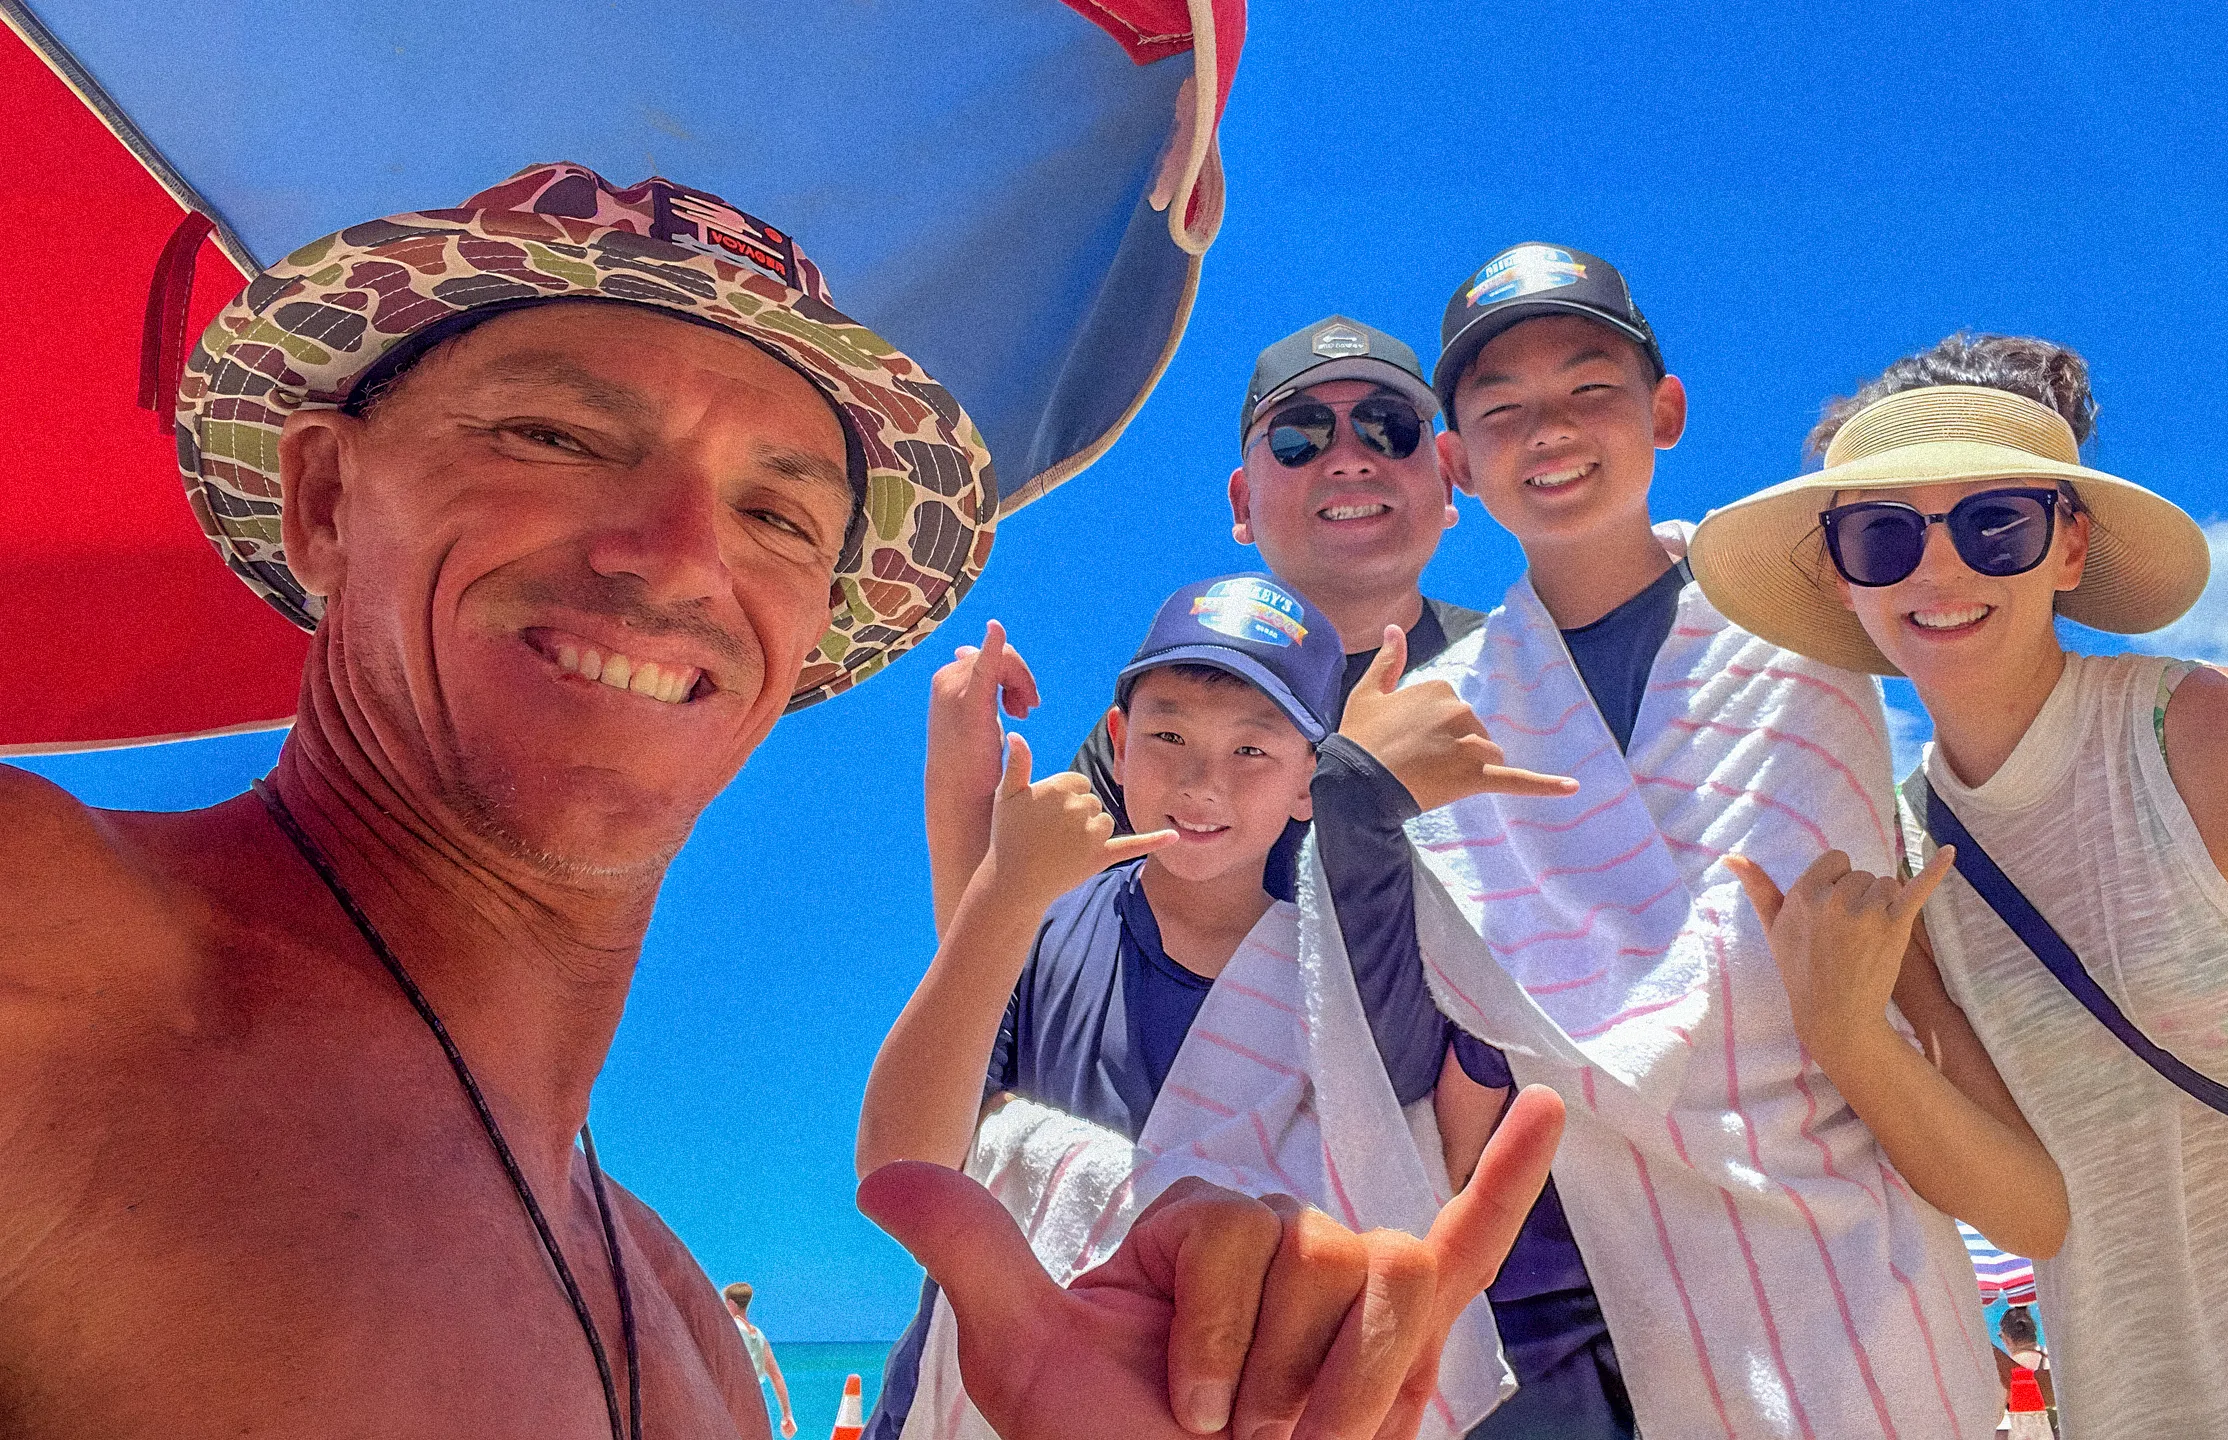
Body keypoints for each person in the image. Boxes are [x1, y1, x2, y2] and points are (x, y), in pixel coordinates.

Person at [0, 164, 1562, 1440]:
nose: (679, 554)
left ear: (810, 628)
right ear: (328, 501)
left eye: (774, 510)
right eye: (552, 434)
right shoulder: (48, 965)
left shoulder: (681, 1338)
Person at [1688, 332, 2228, 1438]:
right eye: (1884, 533)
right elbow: (2039, 1210)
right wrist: (1847, 1036)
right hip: (2161, 1395)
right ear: (1843, 575)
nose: (1938, 568)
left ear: (2068, 546)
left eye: (1994, 522)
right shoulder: (1901, 850)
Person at [1313, 243, 2046, 1438]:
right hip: (1598, 1280)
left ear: (1665, 411)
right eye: (1502, 410)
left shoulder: (1811, 627)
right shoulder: (1444, 710)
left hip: (1853, 1249)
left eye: (1589, 390)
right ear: (1455, 464)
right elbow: (1404, 1016)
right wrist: (1356, 793)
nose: (1549, 429)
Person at [864, 572, 1576, 1438]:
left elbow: (1432, 1147)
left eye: (1253, 751)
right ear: (1117, 744)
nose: (1204, 782)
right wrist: (1002, 883)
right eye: (1168, 735)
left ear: (1310, 780)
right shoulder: (1043, 916)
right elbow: (910, 1162)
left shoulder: (1359, 966)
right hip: (1003, 1389)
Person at [926, 316, 1482, 927]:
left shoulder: (1528, 670)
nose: (1349, 460)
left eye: (1390, 430)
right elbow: (1016, 982)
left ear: (1448, 485)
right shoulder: (1171, 698)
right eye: (1300, 437)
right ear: (1242, 504)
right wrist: (963, 786)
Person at [724, 1283, 799, 1438]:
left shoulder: (730, 1329)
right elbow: (776, 1376)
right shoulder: (758, 1335)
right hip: (756, 1400)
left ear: (730, 1304)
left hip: (733, 1400)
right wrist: (787, 1413)